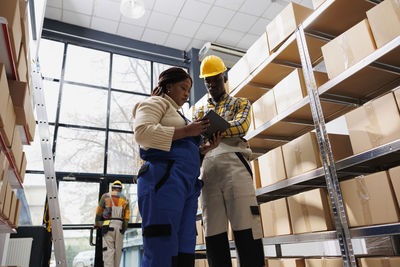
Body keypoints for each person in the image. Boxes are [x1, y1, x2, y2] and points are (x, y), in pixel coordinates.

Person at [132, 67, 221, 267]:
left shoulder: (181, 117)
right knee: (162, 240)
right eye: (183, 87)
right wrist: (187, 130)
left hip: (186, 185)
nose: (187, 93)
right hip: (162, 181)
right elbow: (143, 133)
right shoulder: (154, 103)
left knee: (185, 242)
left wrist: (205, 149)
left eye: (188, 89)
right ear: (168, 86)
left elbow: (184, 151)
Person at [193, 55, 265, 267]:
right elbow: (194, 140)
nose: (212, 84)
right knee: (213, 231)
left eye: (215, 78)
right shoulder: (197, 110)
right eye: (208, 80)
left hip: (235, 166)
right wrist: (210, 132)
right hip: (208, 171)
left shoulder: (241, 103)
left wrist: (210, 130)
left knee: (246, 227)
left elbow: (241, 126)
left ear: (224, 76)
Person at [94, 180, 130, 267]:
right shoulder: (125, 199)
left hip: (107, 225)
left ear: (112, 188)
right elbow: (126, 217)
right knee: (118, 251)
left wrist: (97, 224)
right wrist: (123, 228)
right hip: (120, 226)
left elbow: (99, 212)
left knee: (108, 251)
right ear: (120, 189)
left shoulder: (105, 196)